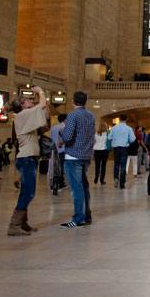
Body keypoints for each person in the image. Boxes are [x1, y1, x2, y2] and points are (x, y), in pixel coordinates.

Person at [8, 86, 48, 236]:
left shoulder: (24, 116)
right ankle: (14, 224)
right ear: (22, 105)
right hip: (26, 158)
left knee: (26, 191)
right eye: (28, 100)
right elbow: (42, 104)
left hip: (28, 158)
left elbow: (44, 110)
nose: (31, 101)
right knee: (29, 193)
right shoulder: (23, 115)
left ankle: (23, 223)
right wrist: (40, 91)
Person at [59, 91, 96, 228]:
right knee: (84, 186)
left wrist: (61, 136)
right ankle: (86, 215)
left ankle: (78, 218)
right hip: (86, 155)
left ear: (73, 101)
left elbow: (68, 137)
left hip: (73, 155)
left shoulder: (73, 115)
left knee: (76, 188)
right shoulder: (90, 115)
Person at [109, 115, 136, 189]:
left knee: (116, 164)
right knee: (123, 165)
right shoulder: (129, 128)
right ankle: (122, 183)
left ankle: (116, 178)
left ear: (119, 119)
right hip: (124, 148)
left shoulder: (114, 128)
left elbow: (109, 137)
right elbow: (133, 139)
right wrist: (128, 141)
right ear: (126, 119)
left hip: (116, 148)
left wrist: (115, 139)